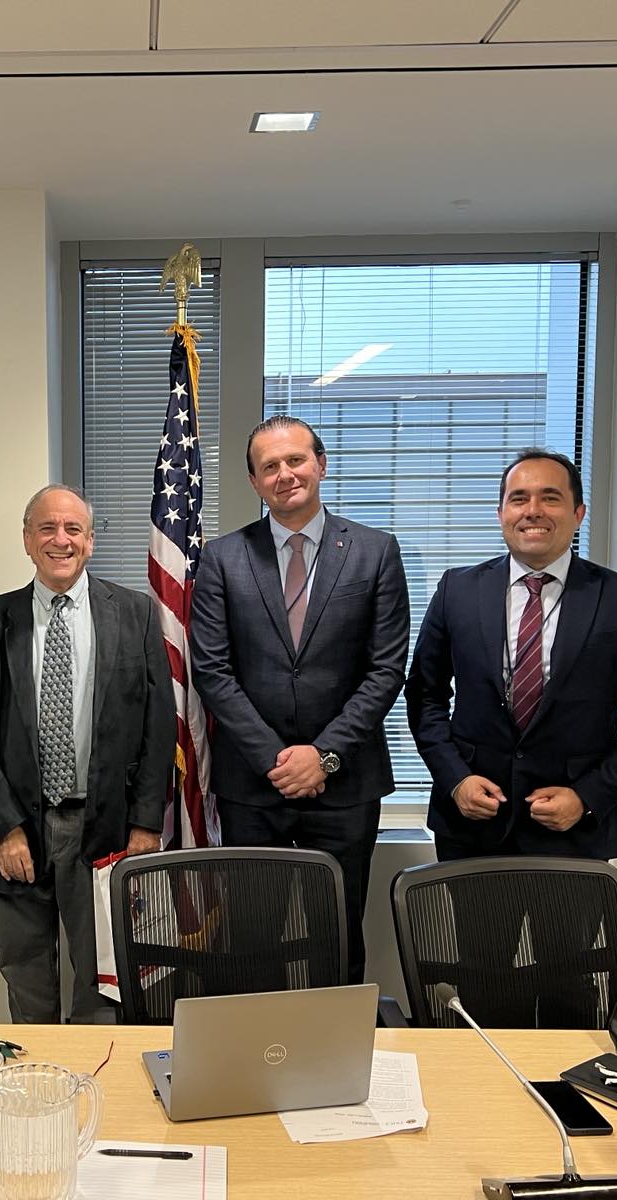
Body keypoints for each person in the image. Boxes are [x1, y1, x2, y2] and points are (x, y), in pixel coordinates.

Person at [405, 448, 617, 1024]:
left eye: (550, 498)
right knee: (483, 984)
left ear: (578, 513)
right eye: (519, 498)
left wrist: (589, 796)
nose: (533, 510)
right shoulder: (458, 590)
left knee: (568, 993)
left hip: (573, 834)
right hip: (475, 828)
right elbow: (425, 697)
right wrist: (455, 779)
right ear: (501, 513)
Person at [190, 416, 410, 985]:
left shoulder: (375, 551)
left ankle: (335, 1044)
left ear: (321, 465)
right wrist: (277, 760)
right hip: (252, 787)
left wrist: (324, 756)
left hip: (345, 785)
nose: (284, 474)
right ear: (253, 481)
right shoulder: (222, 557)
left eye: (295, 460)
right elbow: (212, 670)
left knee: (335, 938)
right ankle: (257, 1042)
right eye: (270, 466)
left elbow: (386, 670)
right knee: (250, 938)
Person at [0, 484, 174, 1023]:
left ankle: (94, 1074)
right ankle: (37, 1075)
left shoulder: (136, 614)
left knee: (103, 986)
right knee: (26, 980)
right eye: (47, 528)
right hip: (16, 832)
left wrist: (146, 824)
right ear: (28, 540)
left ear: (91, 541)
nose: (61, 540)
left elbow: (158, 726)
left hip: (105, 830)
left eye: (73, 529)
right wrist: (4, 829)